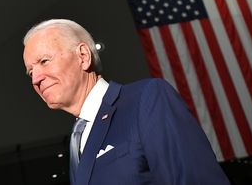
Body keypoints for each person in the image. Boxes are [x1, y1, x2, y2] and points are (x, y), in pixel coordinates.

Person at [22, 19, 230, 185]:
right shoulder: (77, 139)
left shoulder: (146, 99)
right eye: (30, 71)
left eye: (44, 61)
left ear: (83, 56)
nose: (36, 79)